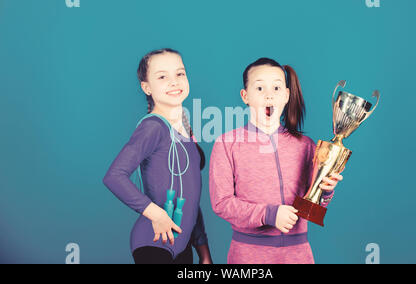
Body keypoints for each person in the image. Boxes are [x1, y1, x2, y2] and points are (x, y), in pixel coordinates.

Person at [209, 57, 343, 264]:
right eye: (260, 88)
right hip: (248, 256)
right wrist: (269, 214)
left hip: (299, 255)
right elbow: (221, 203)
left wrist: (325, 190)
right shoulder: (227, 143)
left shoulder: (306, 145)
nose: (269, 95)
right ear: (245, 96)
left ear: (287, 95)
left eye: (277, 88)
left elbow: (312, 209)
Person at [103, 48, 212, 264]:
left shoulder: (186, 133)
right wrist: (157, 214)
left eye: (179, 74)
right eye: (162, 76)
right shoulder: (153, 127)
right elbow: (114, 176)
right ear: (146, 87)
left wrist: (204, 253)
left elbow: (190, 199)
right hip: (153, 243)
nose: (174, 82)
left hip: (181, 247)